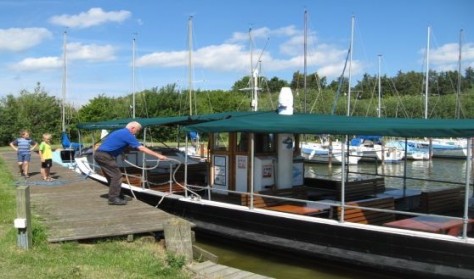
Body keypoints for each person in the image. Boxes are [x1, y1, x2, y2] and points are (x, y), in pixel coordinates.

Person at [94, 121, 168, 205]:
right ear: (132, 128)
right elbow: (141, 148)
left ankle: (117, 194)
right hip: (104, 156)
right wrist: (158, 155)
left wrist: (122, 152)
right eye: (137, 130)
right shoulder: (127, 134)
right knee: (117, 176)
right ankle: (113, 198)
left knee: (111, 176)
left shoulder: (119, 132)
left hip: (100, 154)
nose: (137, 132)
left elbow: (115, 143)